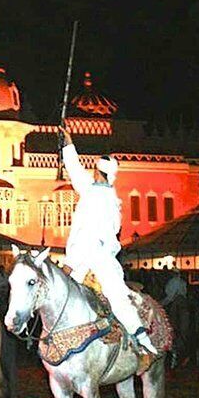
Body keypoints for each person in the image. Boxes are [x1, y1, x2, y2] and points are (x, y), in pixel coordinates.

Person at [58, 126, 158, 355]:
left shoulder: (98, 197)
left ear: (98, 172)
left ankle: (141, 340)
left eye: (93, 169)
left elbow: (89, 235)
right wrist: (68, 143)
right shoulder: (98, 191)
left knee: (116, 296)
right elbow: (75, 170)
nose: (90, 172)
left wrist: (70, 263)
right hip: (88, 255)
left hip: (96, 256)